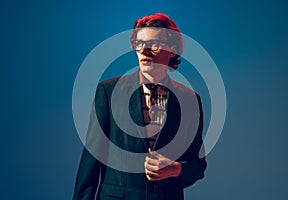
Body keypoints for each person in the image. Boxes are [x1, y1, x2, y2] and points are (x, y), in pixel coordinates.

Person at [73, 13, 207, 200]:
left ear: (172, 49)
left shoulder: (190, 100)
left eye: (154, 44)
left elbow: (198, 165)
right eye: (139, 44)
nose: (144, 51)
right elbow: (91, 162)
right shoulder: (109, 92)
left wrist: (177, 169)